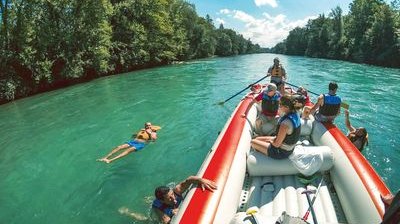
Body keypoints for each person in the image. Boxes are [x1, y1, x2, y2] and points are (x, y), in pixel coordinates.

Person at [251, 95, 301, 159]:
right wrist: (271, 139)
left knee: (253, 142)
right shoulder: (296, 113)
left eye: (280, 105)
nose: (279, 107)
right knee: (257, 138)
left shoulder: (285, 123)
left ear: (286, 107)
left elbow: (276, 144)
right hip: (286, 146)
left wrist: (270, 140)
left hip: (281, 152)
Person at [152, 176, 217, 224]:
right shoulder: (158, 207)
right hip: (164, 210)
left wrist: (201, 180)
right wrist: (172, 214)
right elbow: (166, 221)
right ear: (162, 201)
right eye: (169, 198)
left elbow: (189, 180)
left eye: (172, 194)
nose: (174, 198)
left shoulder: (176, 191)